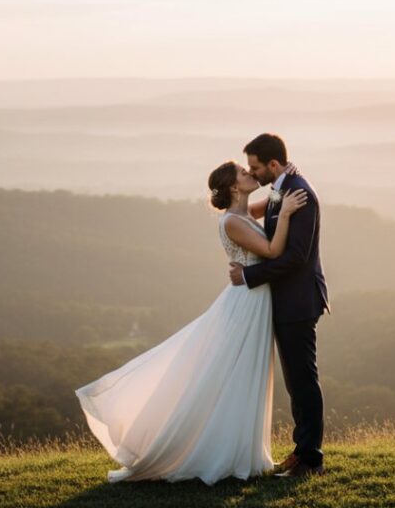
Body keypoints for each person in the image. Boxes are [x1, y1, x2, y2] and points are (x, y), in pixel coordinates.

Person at [75, 159, 307, 485]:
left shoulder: (242, 214)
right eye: (244, 172)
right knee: (232, 373)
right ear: (232, 187)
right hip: (246, 305)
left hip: (254, 301)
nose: (250, 174)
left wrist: (286, 176)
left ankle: (239, 449)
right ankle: (214, 450)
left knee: (243, 374)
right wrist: (284, 215)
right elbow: (270, 250)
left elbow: (265, 204)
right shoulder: (232, 222)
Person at [229, 133, 330, 478]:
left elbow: (296, 258)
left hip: (299, 301)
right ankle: (301, 451)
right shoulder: (280, 188)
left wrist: (249, 275)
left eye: (256, 168)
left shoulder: (300, 194)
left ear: (273, 164)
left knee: (303, 380)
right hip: (287, 300)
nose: (252, 174)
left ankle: (310, 459)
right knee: (295, 381)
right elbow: (250, 214)